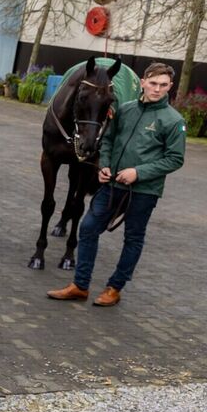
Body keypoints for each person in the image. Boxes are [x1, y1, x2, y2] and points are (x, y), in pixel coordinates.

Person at [48, 62, 186, 307]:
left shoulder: (174, 121)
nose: (157, 89)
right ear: (143, 82)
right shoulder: (125, 110)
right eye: (153, 83)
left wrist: (138, 172)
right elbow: (108, 139)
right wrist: (104, 166)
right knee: (88, 227)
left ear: (170, 87)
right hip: (112, 186)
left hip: (144, 191)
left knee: (133, 238)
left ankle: (115, 288)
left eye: (163, 85)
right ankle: (80, 285)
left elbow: (175, 159)